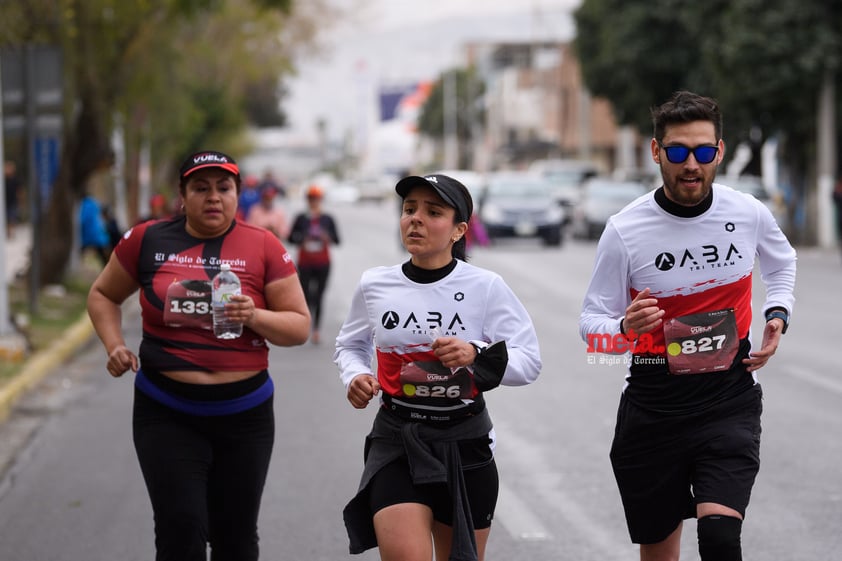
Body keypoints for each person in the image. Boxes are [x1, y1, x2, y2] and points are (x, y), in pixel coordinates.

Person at [579, 91, 797, 561]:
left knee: (720, 538)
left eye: (703, 151)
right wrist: (623, 328)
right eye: (677, 151)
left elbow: (781, 264)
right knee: (660, 552)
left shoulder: (747, 212)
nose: (691, 164)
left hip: (729, 397)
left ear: (719, 151)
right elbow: (590, 325)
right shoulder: (625, 230)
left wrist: (777, 313)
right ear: (656, 152)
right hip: (654, 403)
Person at [86, 150, 311, 561]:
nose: (213, 197)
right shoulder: (148, 240)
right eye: (200, 188)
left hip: (245, 417)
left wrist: (254, 314)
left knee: (235, 540)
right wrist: (114, 344)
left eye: (223, 188)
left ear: (237, 195)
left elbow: (299, 327)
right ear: (182, 195)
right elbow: (103, 294)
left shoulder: (262, 245)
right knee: (181, 533)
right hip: (166, 411)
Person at [334, 174, 542, 561]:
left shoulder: (486, 286)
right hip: (398, 440)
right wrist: (356, 375)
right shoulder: (375, 284)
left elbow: (529, 362)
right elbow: (351, 344)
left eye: (433, 212)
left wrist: (476, 354)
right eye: (409, 209)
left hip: (466, 445)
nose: (416, 219)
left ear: (458, 230)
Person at [287, 184, 340, 344]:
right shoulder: (300, 218)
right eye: (311, 198)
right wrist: (301, 239)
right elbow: (290, 238)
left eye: (316, 198)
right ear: (307, 200)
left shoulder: (327, 219)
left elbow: (337, 240)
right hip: (305, 262)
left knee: (319, 295)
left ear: (320, 200)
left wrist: (326, 237)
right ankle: (306, 325)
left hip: (323, 262)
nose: (313, 201)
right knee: (305, 295)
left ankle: (316, 329)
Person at [79, 192, 110, 266]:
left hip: (89, 236)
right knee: (104, 258)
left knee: (82, 254)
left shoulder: (84, 204)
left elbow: (83, 220)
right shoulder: (94, 203)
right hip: (99, 235)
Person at [4, 160, 21, 238]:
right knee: (7, 218)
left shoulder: (15, 180)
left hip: (13, 201)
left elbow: (19, 190)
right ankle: (8, 232)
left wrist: (20, 200)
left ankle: (10, 232)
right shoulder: (3, 180)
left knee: (12, 218)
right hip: (5, 202)